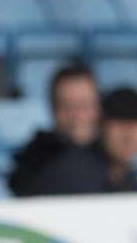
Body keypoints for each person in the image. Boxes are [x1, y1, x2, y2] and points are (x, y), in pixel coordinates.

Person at [9, 66, 112, 197]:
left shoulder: (114, 154)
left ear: (98, 106)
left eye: (84, 105)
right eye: (66, 106)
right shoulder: (36, 159)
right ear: (52, 108)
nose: (76, 115)